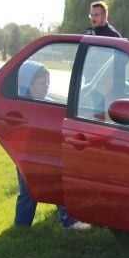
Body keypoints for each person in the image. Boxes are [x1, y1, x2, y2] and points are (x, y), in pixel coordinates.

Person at [14, 61, 91, 230]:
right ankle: (20, 226)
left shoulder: (49, 103)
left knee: (57, 186)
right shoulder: (22, 106)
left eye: (48, 82)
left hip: (49, 156)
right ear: (28, 84)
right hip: (27, 158)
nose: (46, 86)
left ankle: (68, 221)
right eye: (42, 83)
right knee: (28, 192)